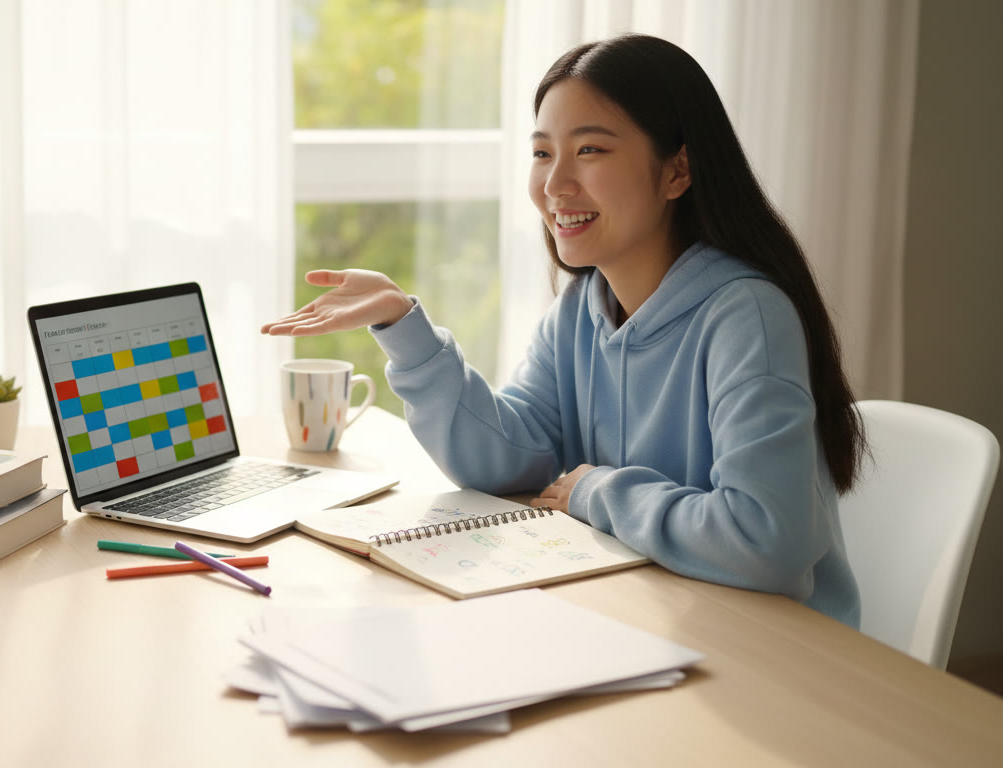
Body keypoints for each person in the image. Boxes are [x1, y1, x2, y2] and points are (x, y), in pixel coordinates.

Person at [261, 33, 866, 628]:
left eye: (591, 151)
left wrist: (596, 493)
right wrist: (403, 326)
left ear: (677, 170)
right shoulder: (582, 308)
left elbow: (765, 541)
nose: (554, 186)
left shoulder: (745, 317)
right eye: (543, 152)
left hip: (774, 649)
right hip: (648, 617)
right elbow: (511, 463)